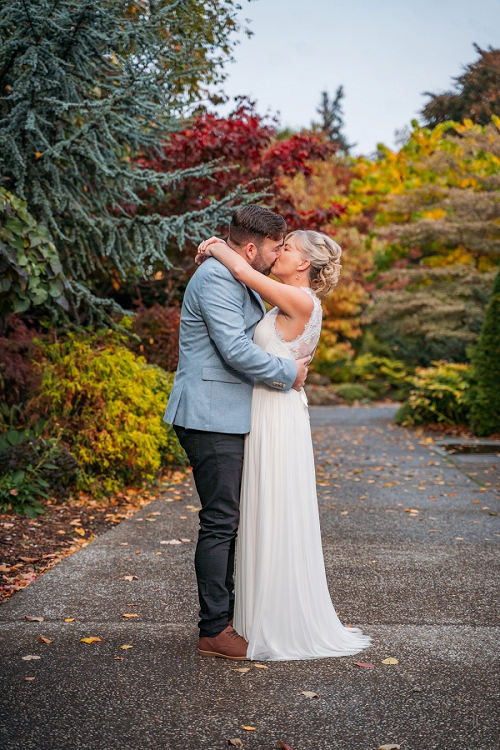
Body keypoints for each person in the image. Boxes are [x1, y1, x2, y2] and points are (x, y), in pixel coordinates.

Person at [195, 228, 372, 661]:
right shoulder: (285, 299)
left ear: (304, 264)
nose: (280, 252)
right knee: (260, 511)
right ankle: (253, 616)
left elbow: (241, 267)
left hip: (275, 415)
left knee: (271, 509)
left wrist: (216, 245)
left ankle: (273, 620)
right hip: (269, 409)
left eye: (287, 248)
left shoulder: (301, 299)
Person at [163, 206, 311, 660]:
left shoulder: (236, 275)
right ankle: (214, 630)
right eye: (273, 247)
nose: (276, 254)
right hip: (209, 416)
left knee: (232, 519)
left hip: (231, 415)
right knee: (221, 520)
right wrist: (289, 373)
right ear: (251, 248)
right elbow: (234, 350)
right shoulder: (215, 280)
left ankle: (230, 617)